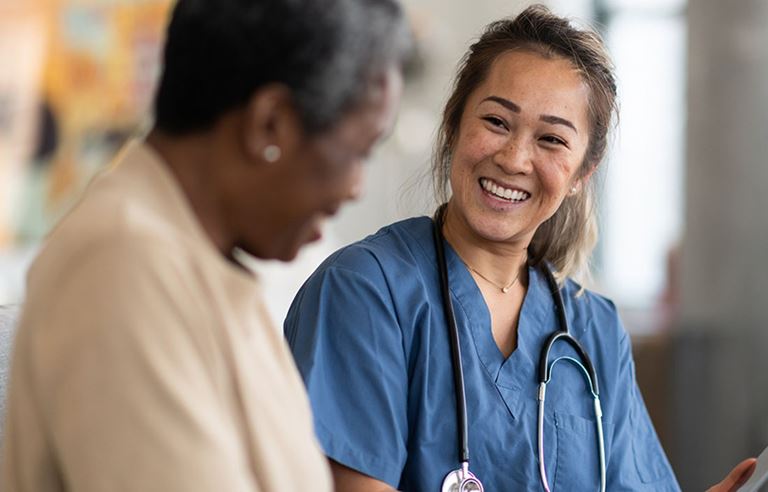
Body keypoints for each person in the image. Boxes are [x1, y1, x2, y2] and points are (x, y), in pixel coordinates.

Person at [284, 5, 755, 491]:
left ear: (580, 175)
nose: (513, 158)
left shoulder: (595, 331)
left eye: (551, 139)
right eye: (496, 121)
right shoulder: (365, 292)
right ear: (454, 126)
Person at [0, 0, 410, 490]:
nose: (355, 189)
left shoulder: (203, 264)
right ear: (269, 125)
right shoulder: (124, 268)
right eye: (359, 152)